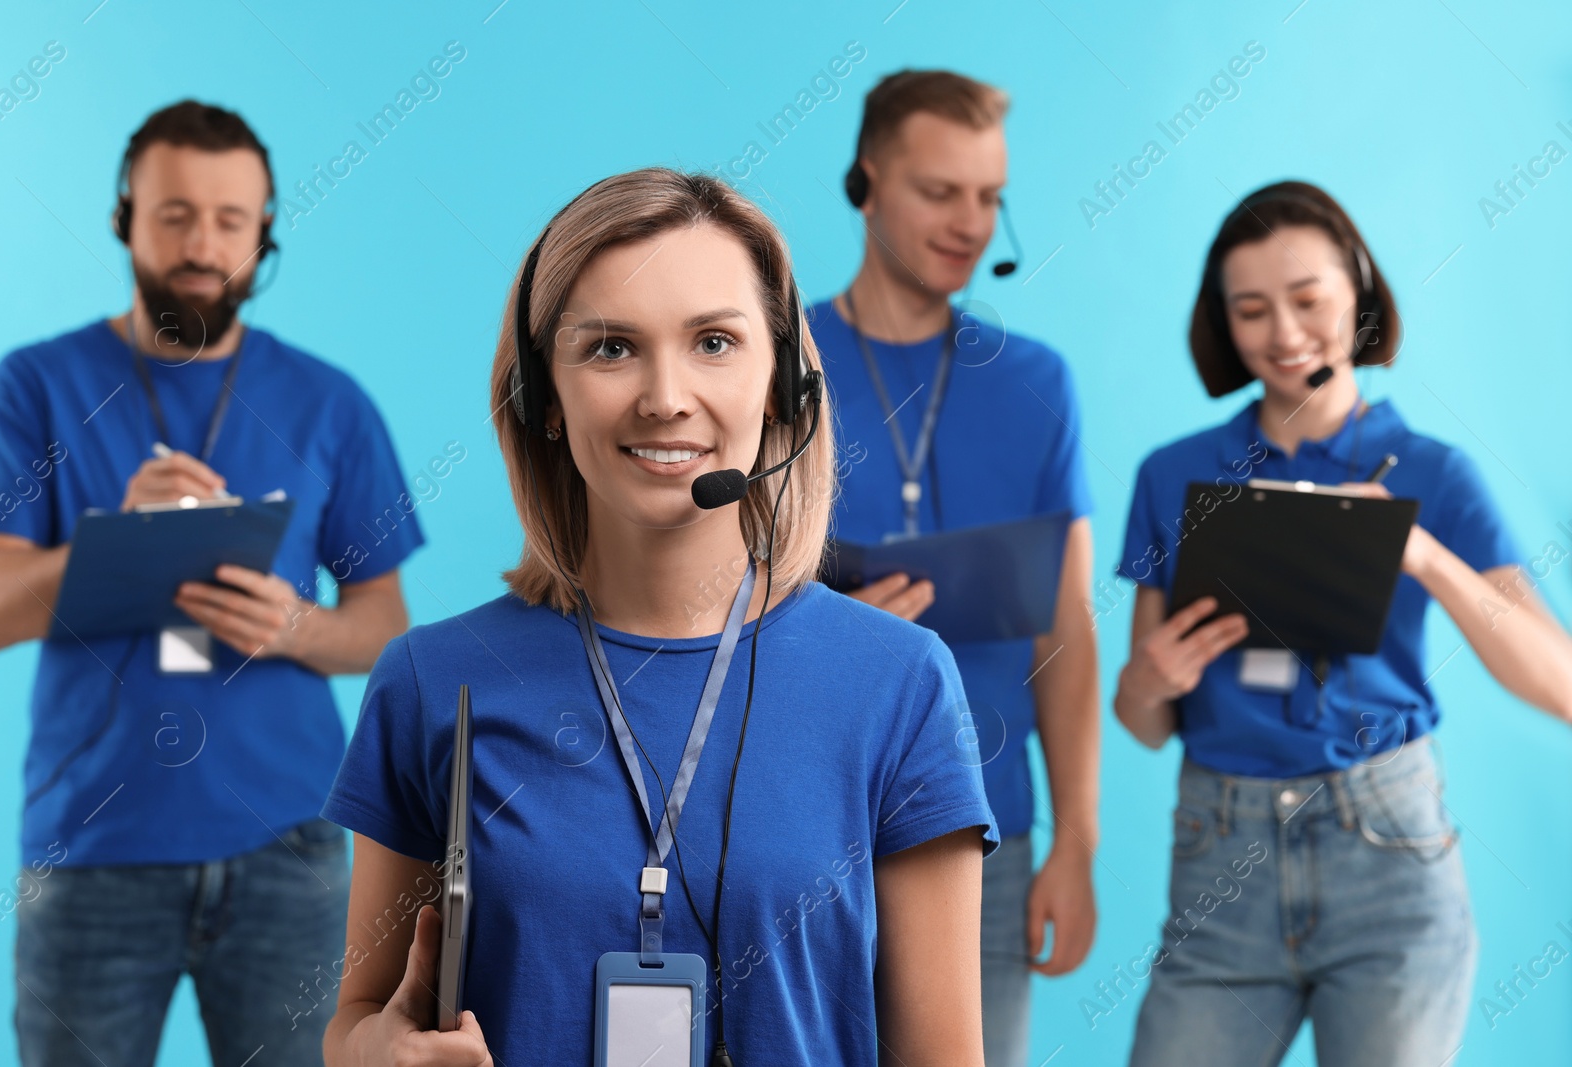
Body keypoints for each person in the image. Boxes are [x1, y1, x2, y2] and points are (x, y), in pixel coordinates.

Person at [320, 167, 997, 1066]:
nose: (665, 396)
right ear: (542, 399)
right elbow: (357, 1017)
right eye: (610, 348)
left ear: (783, 384)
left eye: (714, 342)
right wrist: (375, 1053)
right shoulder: (431, 680)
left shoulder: (900, 681)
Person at [0, 100, 424, 1065]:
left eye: (230, 219)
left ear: (264, 234)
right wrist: (115, 544)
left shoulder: (329, 401)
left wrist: (300, 627)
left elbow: (386, 624)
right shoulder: (34, 385)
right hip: (90, 848)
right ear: (124, 217)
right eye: (174, 213)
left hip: (290, 849)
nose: (201, 242)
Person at [1112, 180, 1572, 1066]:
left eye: (1310, 300)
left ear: (1359, 291)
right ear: (1225, 325)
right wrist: (1147, 682)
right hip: (1219, 854)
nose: (1284, 335)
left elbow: (1559, 681)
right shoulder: (1172, 475)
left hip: (1389, 858)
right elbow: (1141, 723)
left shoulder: (1436, 473)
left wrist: (1423, 553)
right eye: (1251, 311)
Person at [806, 69, 1099, 1066]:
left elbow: (1066, 630)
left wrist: (1078, 840)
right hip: (799, 825)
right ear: (866, 183)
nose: (970, 222)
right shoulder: (769, 360)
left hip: (989, 835)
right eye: (940, 191)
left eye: (989, 196)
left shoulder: (1037, 382)